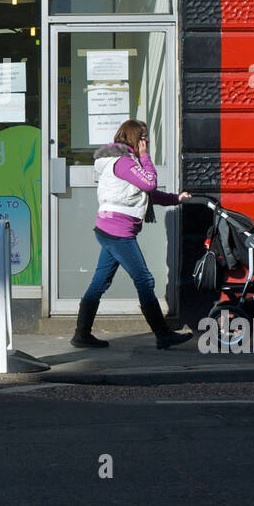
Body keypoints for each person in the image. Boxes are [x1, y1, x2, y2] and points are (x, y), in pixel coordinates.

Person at [71, 119, 192, 350]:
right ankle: (162, 334)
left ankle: (82, 334)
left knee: (100, 281)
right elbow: (149, 183)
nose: (147, 141)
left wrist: (176, 198)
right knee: (144, 279)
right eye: (144, 136)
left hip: (110, 229)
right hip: (118, 231)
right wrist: (146, 158)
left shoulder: (124, 162)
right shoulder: (124, 162)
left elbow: (145, 194)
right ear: (133, 137)